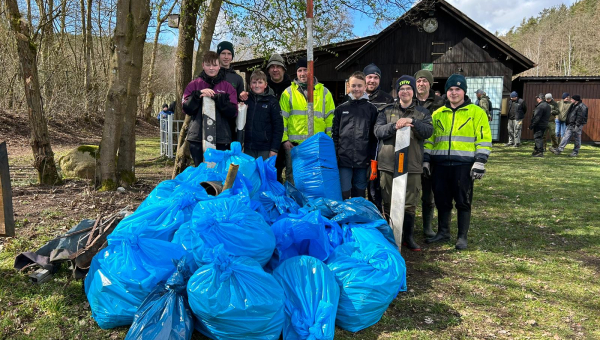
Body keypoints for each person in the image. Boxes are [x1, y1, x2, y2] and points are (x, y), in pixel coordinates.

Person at [424, 74, 492, 250]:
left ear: (464, 91)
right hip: (439, 165)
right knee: (441, 200)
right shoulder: (438, 114)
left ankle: (462, 237)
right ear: (446, 92)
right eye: (450, 89)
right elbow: (430, 139)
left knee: (463, 201)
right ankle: (443, 232)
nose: (453, 93)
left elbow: (483, 139)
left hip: (464, 165)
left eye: (457, 89)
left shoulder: (477, 112)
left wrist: (480, 161)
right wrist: (425, 159)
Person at [374, 75, 433, 251]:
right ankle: (388, 236)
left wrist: (412, 121)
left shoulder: (422, 113)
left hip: (412, 166)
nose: (405, 91)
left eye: (408, 89)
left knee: (409, 203)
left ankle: (407, 237)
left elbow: (428, 131)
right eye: (401, 89)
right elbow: (377, 131)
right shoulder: (386, 111)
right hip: (388, 164)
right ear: (397, 92)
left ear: (413, 92)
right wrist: (394, 126)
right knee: (387, 201)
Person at [279, 57, 335, 184]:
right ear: (296, 73)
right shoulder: (288, 93)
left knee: (315, 178)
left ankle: (311, 204)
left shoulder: (324, 92)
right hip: (294, 145)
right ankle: (294, 202)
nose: (303, 73)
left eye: (306, 70)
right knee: (293, 177)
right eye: (300, 70)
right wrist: (285, 140)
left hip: (317, 144)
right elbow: (282, 119)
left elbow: (330, 119)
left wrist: (328, 141)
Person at [182, 51, 238, 166]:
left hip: (221, 138)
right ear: (203, 65)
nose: (211, 68)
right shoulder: (194, 85)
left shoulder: (227, 87)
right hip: (197, 137)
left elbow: (233, 112)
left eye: (214, 65)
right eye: (208, 65)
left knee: (218, 171)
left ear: (219, 66)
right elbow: (186, 108)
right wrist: (197, 95)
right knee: (201, 169)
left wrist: (219, 99)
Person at [332, 71, 378, 200]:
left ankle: (358, 219)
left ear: (364, 87)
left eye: (359, 86)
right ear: (349, 86)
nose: (356, 89)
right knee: (344, 193)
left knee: (359, 194)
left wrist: (373, 160)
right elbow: (335, 135)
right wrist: (335, 156)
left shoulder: (372, 110)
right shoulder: (341, 109)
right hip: (344, 160)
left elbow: (375, 138)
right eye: (353, 86)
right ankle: (343, 219)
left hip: (363, 162)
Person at [414, 69, 444, 238]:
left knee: (429, 192)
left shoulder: (440, 102)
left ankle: (427, 226)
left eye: (425, 81)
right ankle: (407, 225)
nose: (421, 84)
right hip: (412, 151)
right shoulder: (409, 99)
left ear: (430, 84)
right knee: (410, 191)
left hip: (433, 151)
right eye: (418, 81)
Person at [363, 63, 395, 212]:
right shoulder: (352, 96)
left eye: (376, 77)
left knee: (375, 188)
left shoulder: (387, 99)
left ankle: (376, 216)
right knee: (356, 187)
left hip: (377, 149)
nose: (372, 80)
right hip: (356, 148)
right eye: (369, 77)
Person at [242, 70, 284, 160]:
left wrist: (274, 149)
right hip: (248, 147)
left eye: (260, 82)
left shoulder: (272, 102)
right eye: (254, 82)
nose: (257, 85)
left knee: (263, 173)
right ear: (250, 84)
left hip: (265, 148)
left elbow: (278, 127)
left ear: (265, 84)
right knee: (249, 173)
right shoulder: (246, 100)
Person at [265, 53, 293, 183]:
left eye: (278, 67)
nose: (275, 70)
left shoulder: (292, 88)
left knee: (290, 172)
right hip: (268, 137)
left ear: (283, 69)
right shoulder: (263, 86)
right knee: (271, 171)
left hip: (287, 138)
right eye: (272, 67)